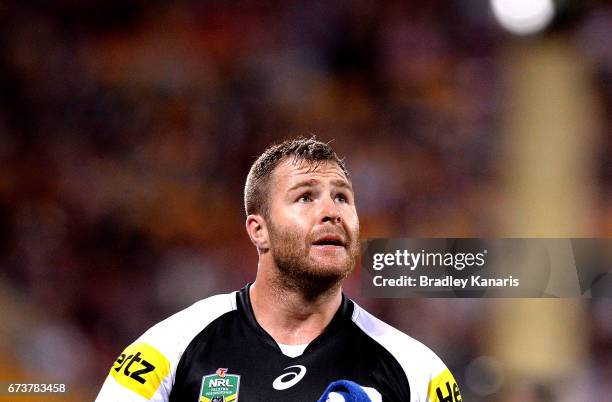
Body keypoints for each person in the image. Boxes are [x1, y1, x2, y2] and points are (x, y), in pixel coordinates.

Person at [95, 137, 461, 402]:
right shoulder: (168, 347)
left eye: (342, 197)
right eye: (305, 197)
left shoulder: (419, 372)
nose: (331, 211)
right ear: (259, 230)